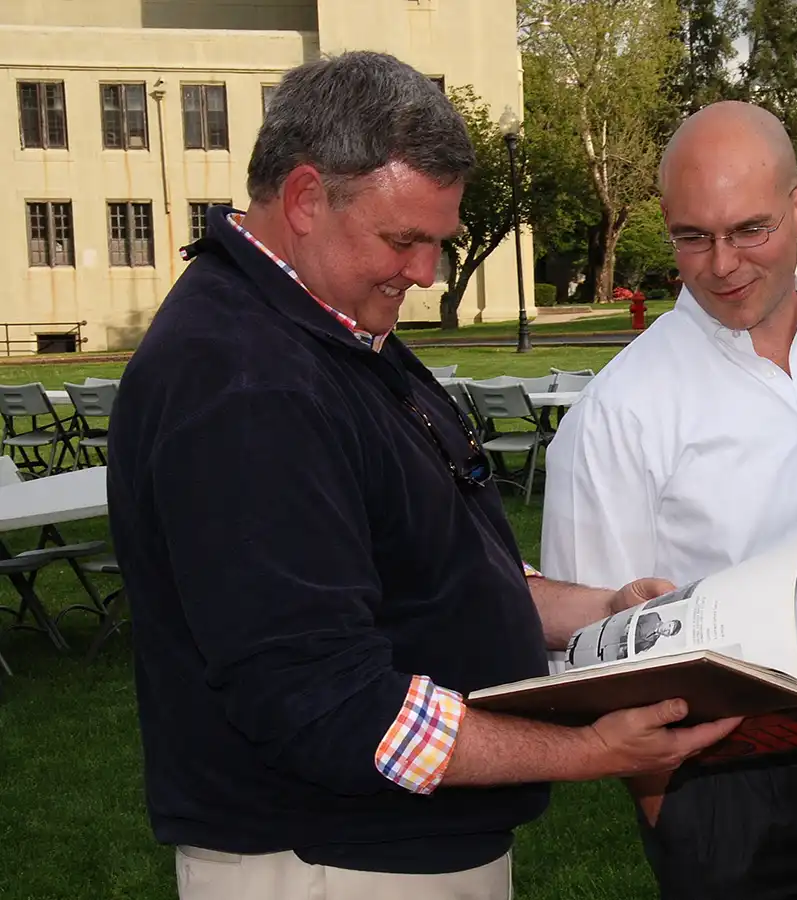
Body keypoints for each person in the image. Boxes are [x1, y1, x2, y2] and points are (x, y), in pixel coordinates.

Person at [105, 52, 737, 900]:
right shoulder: (243, 380)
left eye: (438, 243)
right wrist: (593, 751)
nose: (426, 273)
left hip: (385, 851)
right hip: (330, 863)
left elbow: (421, 563)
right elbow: (327, 703)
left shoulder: (328, 328)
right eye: (403, 240)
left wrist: (598, 609)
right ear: (302, 200)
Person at [542, 101, 797, 900]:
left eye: (750, 230)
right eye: (692, 237)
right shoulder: (622, 410)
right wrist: (673, 809)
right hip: (738, 794)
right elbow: (591, 658)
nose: (722, 264)